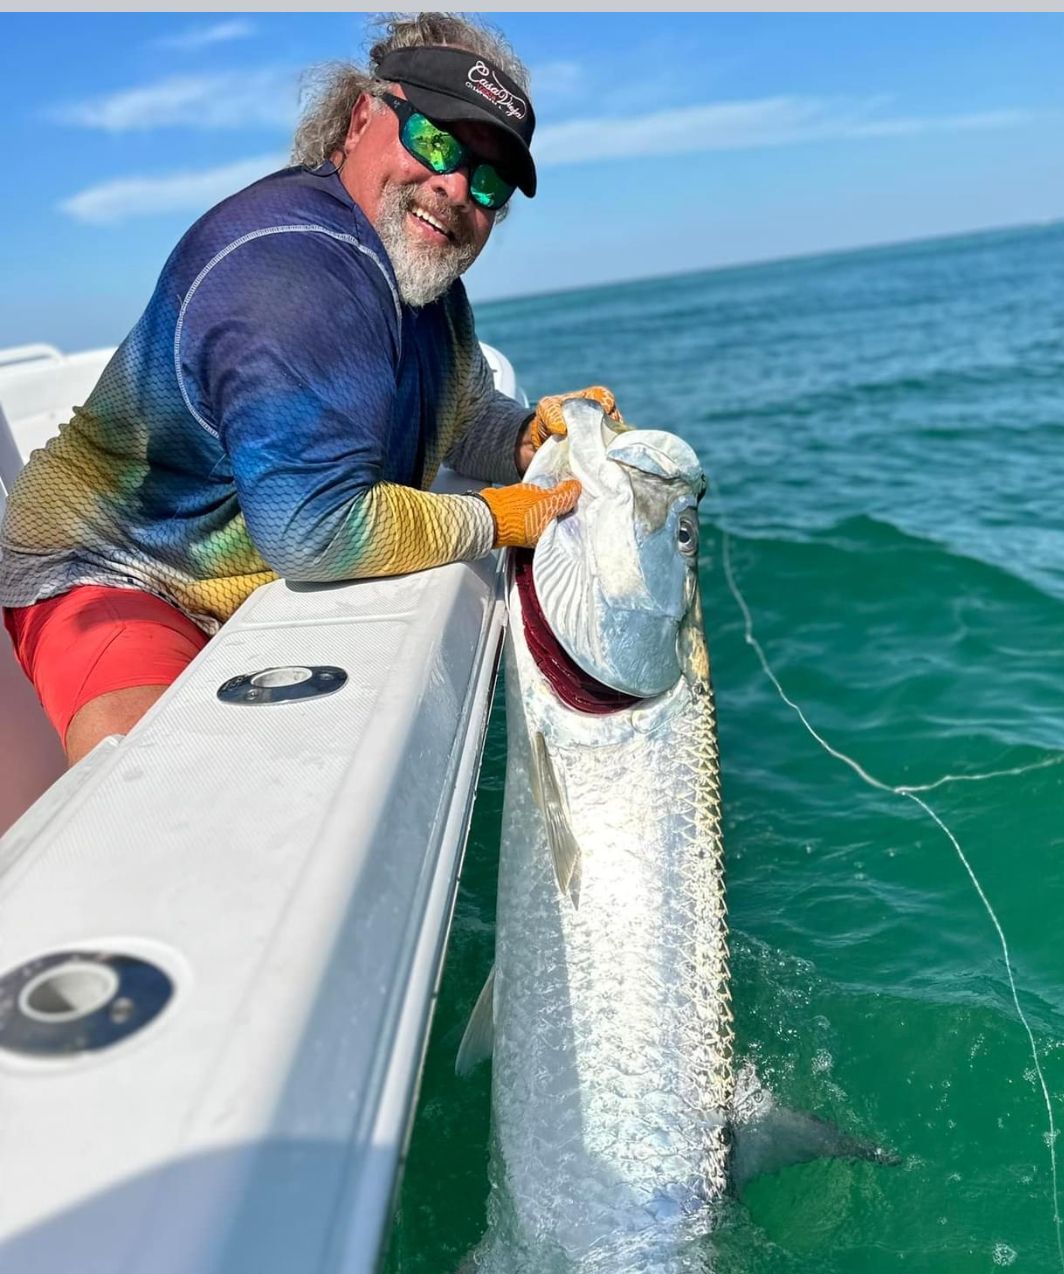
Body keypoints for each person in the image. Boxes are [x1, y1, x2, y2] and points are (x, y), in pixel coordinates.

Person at [0, 12, 620, 766]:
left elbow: (460, 417)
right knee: (150, 785)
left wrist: (526, 438)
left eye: (489, 182)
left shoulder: (430, 291)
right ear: (360, 119)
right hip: (114, 569)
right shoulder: (289, 271)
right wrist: (494, 518)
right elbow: (316, 530)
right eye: (435, 142)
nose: (456, 187)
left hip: (251, 576)